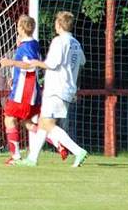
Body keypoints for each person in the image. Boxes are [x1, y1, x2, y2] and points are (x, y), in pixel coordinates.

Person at [16, 11, 88, 167]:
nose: (55, 25)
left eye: (56, 22)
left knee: (48, 124)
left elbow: (52, 64)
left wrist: (35, 62)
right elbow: (82, 61)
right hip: (68, 88)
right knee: (43, 122)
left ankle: (78, 151)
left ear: (60, 25)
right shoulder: (75, 42)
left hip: (56, 88)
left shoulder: (59, 41)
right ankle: (32, 159)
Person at [0, 15, 43, 165]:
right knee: (26, 122)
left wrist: (9, 62)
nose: (16, 28)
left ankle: (16, 156)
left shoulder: (27, 46)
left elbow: (30, 65)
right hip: (26, 89)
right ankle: (58, 141)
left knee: (9, 118)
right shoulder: (32, 44)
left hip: (24, 91)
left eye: (18, 26)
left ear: (22, 28)